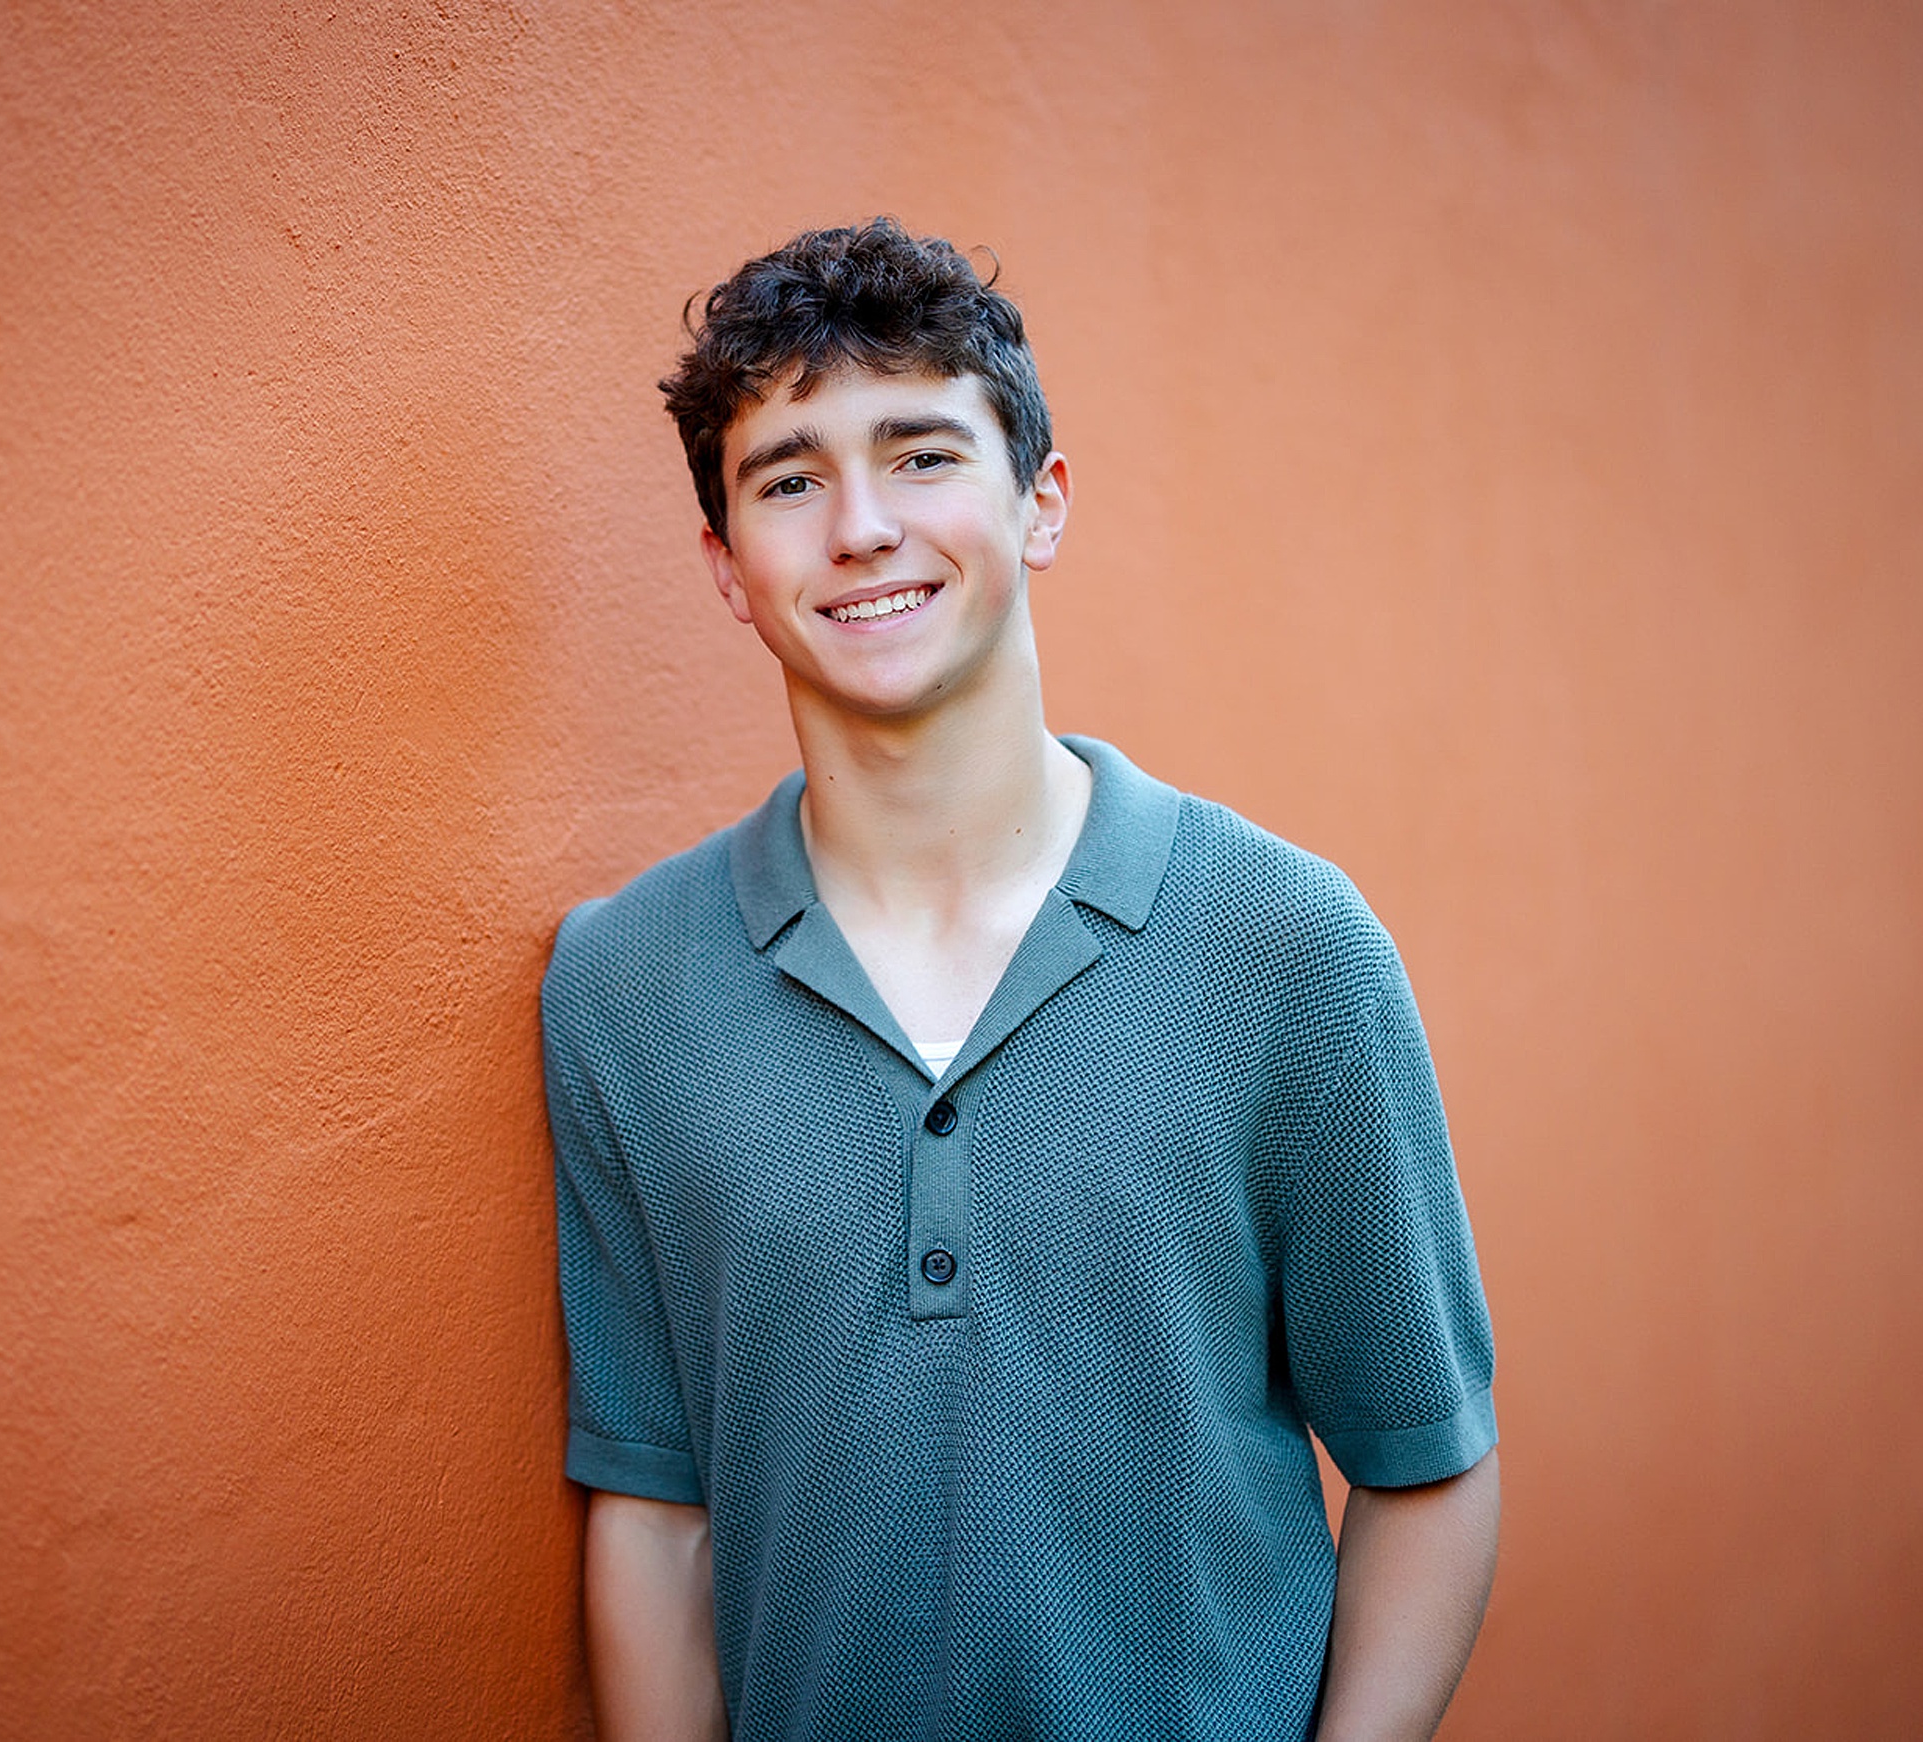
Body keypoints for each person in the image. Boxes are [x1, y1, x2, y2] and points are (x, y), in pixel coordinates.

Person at [543, 217, 1500, 1742]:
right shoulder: (620, 986)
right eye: (789, 479)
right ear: (728, 569)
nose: (860, 527)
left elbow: (1426, 1468)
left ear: (1041, 502)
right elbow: (658, 1516)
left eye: (922, 454)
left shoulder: (1289, 949)